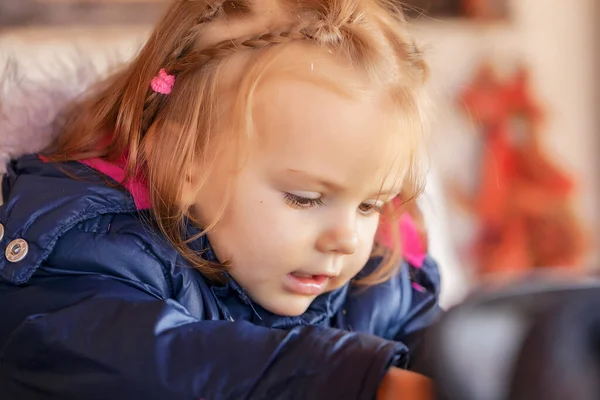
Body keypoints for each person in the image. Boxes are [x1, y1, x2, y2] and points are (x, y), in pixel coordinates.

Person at [0, 0, 441, 398]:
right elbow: (149, 362)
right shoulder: (95, 250)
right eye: (305, 198)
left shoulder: (373, 285)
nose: (346, 240)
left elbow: (444, 349)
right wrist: (352, 379)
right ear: (185, 160)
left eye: (369, 205)